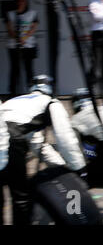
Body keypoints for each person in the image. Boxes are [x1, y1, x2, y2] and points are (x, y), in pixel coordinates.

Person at [0, 75, 87, 225]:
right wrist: (78, 168)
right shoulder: (51, 102)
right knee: (21, 198)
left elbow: (38, 144)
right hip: (11, 141)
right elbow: (65, 137)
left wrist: (60, 166)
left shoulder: (15, 100)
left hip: (6, 136)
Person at [5, 0, 39, 97]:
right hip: (14, 46)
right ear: (16, 2)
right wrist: (17, 38)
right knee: (15, 69)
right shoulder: (10, 14)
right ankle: (13, 93)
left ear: (26, 2)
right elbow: (9, 29)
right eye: (19, 1)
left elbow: (33, 28)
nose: (21, 3)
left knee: (29, 69)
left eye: (23, 1)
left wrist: (23, 39)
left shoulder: (33, 13)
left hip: (28, 46)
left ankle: (31, 93)